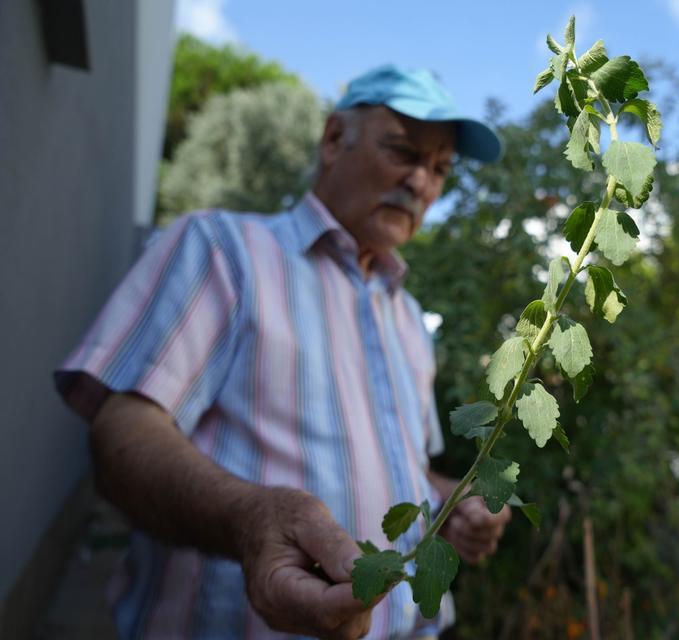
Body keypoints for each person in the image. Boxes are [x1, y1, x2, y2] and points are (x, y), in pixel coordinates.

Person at [54, 65, 511, 640]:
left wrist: (458, 501)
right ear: (332, 139)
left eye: (440, 169)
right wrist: (249, 519)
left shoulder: (410, 318)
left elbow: (407, 470)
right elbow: (120, 430)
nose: (421, 183)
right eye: (402, 150)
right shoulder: (223, 250)